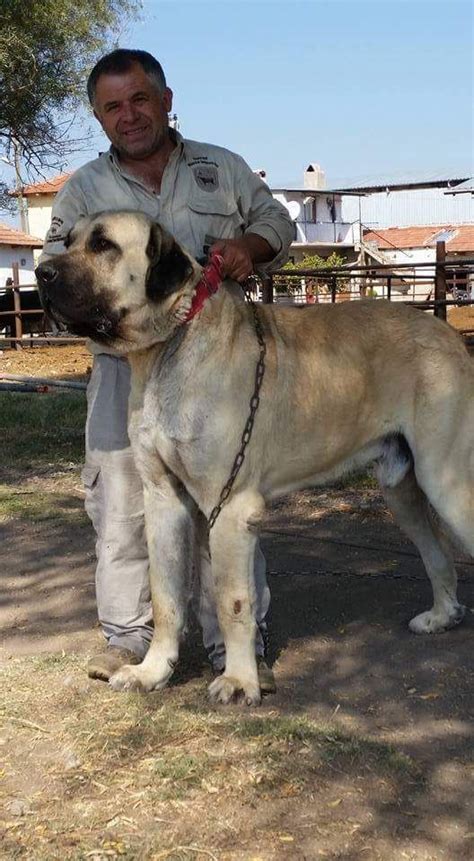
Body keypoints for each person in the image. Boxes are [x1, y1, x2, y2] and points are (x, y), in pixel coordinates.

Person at [41, 48, 294, 688]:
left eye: (139, 100)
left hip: (219, 365)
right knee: (124, 506)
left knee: (226, 507)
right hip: (124, 369)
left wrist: (248, 246)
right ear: (99, 118)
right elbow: (57, 269)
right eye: (112, 107)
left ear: (166, 98)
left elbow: (276, 221)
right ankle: (133, 642)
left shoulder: (222, 169)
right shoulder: (82, 191)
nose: (128, 116)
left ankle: (233, 645)